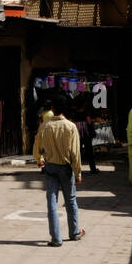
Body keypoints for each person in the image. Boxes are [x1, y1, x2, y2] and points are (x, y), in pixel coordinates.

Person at [32, 96, 85, 246]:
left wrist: (39, 159)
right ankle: (74, 232)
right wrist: (78, 172)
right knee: (71, 200)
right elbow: (75, 153)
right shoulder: (71, 127)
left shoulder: (44, 126)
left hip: (50, 168)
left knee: (52, 203)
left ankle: (56, 238)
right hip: (66, 168)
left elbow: (36, 147)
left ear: (53, 109)